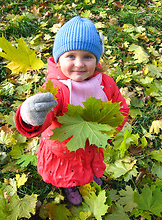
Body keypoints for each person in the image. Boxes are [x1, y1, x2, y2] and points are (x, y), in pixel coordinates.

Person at [15, 16, 129, 206]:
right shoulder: (57, 88)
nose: (79, 64)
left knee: (88, 163)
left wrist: (106, 133)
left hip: (91, 143)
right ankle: (70, 186)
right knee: (69, 171)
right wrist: (30, 117)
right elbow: (47, 114)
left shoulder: (105, 83)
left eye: (87, 57)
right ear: (59, 60)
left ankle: (90, 175)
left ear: (97, 59)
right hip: (65, 150)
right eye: (71, 56)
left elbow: (120, 108)